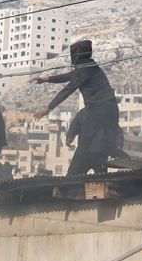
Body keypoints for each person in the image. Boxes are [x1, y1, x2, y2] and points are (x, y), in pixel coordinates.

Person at [30, 39, 120, 175]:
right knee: (103, 142)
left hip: (99, 109)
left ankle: (77, 170)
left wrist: (48, 108)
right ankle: (102, 160)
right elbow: (69, 76)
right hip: (110, 109)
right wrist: (45, 79)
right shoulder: (90, 67)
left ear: (77, 55)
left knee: (86, 143)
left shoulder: (85, 69)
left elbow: (68, 88)